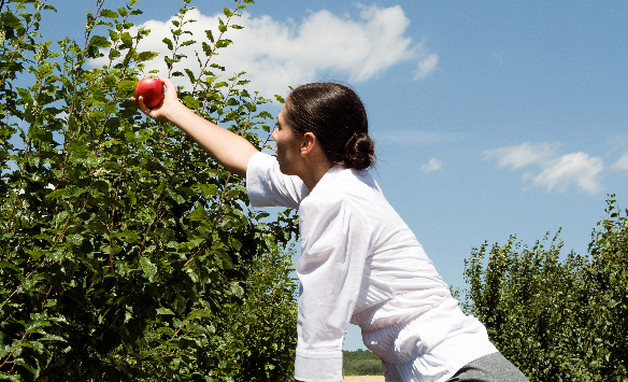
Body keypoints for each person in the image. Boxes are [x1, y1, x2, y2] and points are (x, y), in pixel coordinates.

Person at [133, 78, 528, 382]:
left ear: (306, 143)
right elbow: (247, 161)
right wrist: (174, 109)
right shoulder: (332, 182)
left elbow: (319, 330)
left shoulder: (335, 201)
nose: (272, 136)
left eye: (278, 126)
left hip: (458, 372)